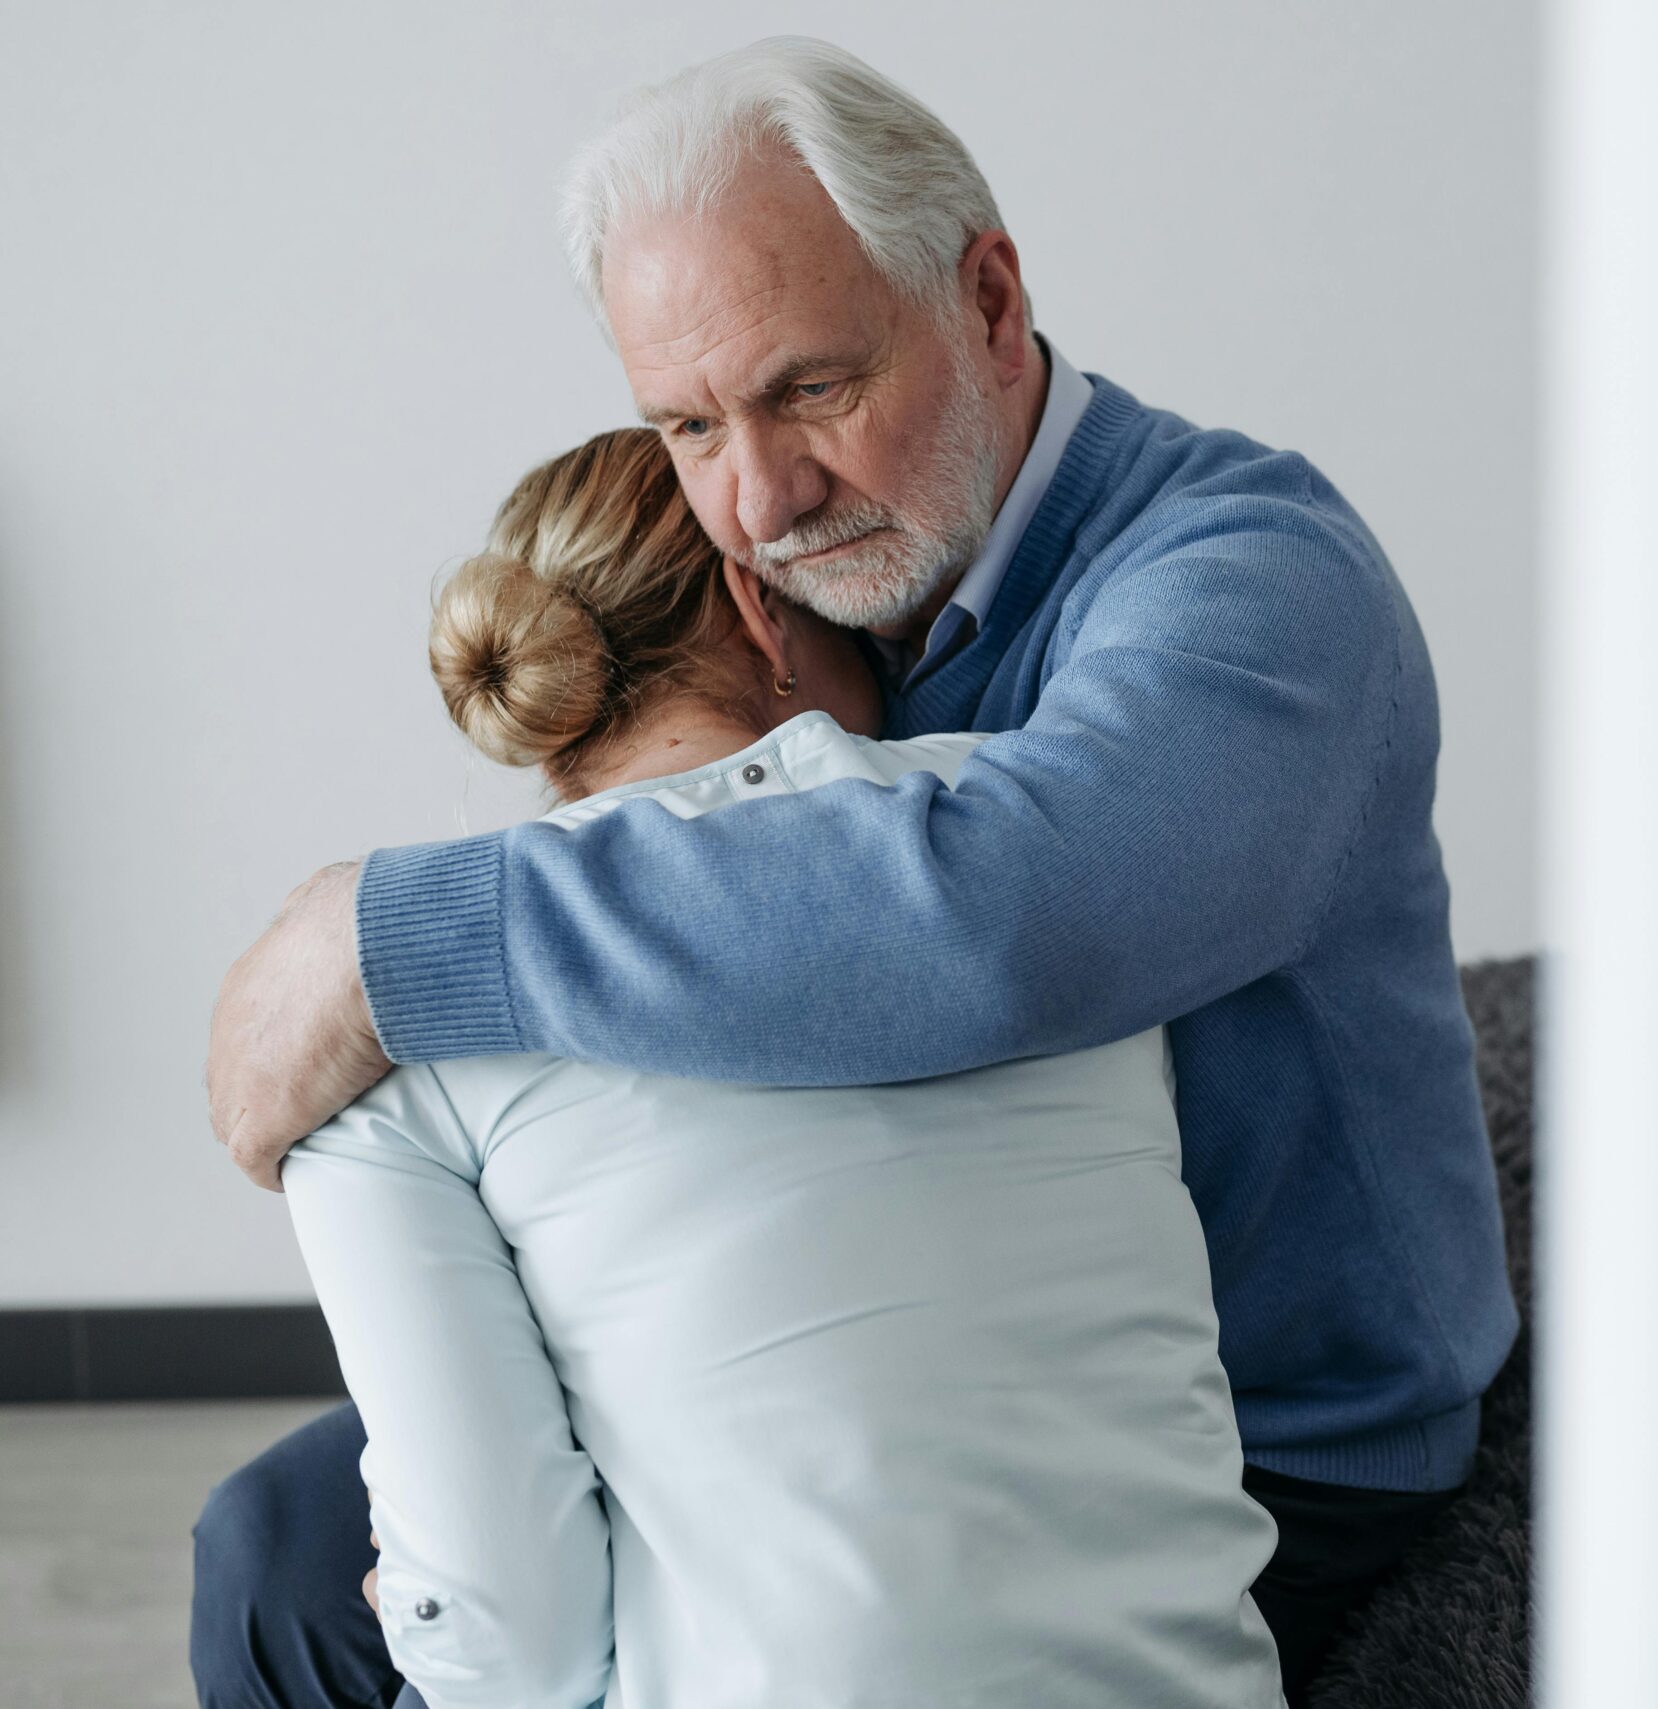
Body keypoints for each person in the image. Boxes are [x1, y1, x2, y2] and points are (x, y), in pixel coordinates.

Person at [198, 36, 1515, 1707]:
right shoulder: (828, 583)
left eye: (814, 388)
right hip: (901, 1348)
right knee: (282, 1550)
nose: (757, 496)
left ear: (986, 296)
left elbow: (1002, 918)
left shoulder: (1252, 582)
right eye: (688, 422)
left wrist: (395, 937)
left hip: (1269, 1432)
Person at [282, 427, 1284, 1709]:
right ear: (763, 609)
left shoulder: (387, 1043)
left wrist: (426, 1606)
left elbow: (509, 1650)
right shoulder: (1050, 846)